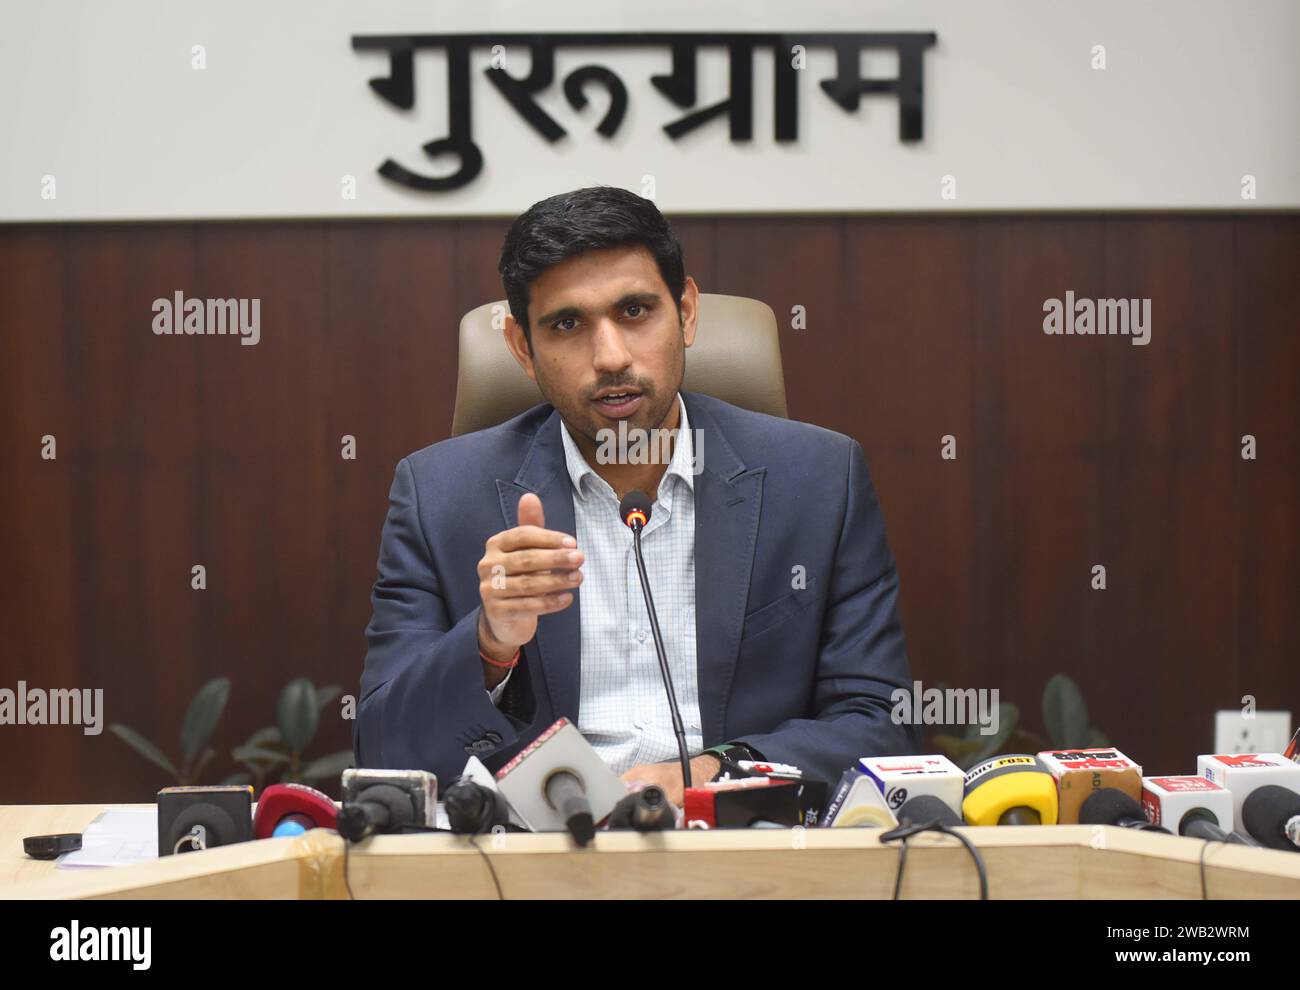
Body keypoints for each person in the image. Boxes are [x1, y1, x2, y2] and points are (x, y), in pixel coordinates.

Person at [354, 186, 917, 806]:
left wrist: (712, 772)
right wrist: (489, 644)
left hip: (742, 847)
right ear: (521, 347)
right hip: (536, 861)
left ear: (687, 312)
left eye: (635, 311)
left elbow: (879, 725)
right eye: (567, 324)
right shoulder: (438, 496)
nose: (611, 356)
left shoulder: (817, 479)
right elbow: (384, 753)